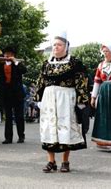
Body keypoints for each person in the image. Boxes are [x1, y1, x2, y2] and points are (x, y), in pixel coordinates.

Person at [34, 33, 88, 173]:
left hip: (66, 98)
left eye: (59, 45)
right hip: (49, 99)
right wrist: (38, 98)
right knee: (48, 128)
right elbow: (40, 82)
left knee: (65, 128)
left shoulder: (74, 63)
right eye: (54, 45)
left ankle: (65, 161)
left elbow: (81, 81)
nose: (55, 47)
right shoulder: (46, 64)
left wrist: (81, 100)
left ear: (66, 47)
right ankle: (51, 161)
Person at [0, 46, 27, 144]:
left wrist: (16, 62)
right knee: (8, 116)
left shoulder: (18, 64)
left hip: (17, 93)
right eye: (5, 53)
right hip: (6, 93)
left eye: (9, 53)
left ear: (13, 55)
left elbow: (24, 70)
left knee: (19, 116)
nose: (7, 55)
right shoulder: (1, 65)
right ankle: (8, 138)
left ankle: (21, 136)